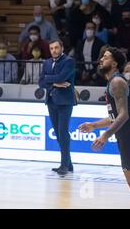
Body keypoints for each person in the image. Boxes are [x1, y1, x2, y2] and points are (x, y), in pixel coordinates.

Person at [79, 48, 130, 209]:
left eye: (106, 57)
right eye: (101, 56)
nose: (101, 59)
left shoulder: (117, 82)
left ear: (115, 63)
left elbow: (123, 116)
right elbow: (115, 117)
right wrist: (94, 125)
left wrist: (105, 135)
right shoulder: (113, 82)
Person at [39, 39, 76, 176]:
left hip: (65, 101)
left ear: (61, 48)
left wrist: (49, 79)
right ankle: (69, 163)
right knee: (58, 132)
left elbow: (62, 76)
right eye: (51, 48)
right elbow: (40, 82)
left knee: (63, 132)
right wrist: (56, 83)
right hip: (51, 101)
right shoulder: (47, 62)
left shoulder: (69, 61)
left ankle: (64, 164)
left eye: (56, 48)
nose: (54, 50)